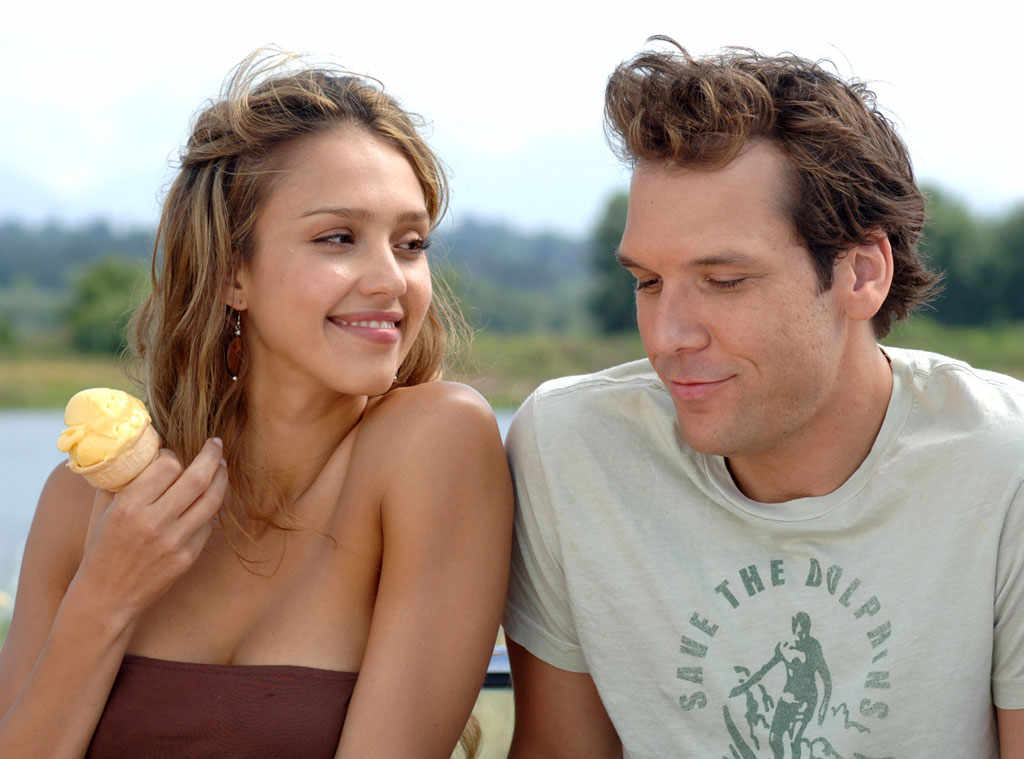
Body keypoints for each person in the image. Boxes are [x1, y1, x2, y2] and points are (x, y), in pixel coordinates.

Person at [503, 38, 1024, 758]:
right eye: (647, 282)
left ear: (862, 274)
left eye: (724, 281)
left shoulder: (1005, 466)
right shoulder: (571, 448)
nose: (668, 337)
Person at [0, 50, 513, 758]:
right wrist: (105, 596)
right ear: (232, 272)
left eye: (410, 243)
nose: (391, 279)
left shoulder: (434, 444)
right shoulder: (84, 500)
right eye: (339, 238)